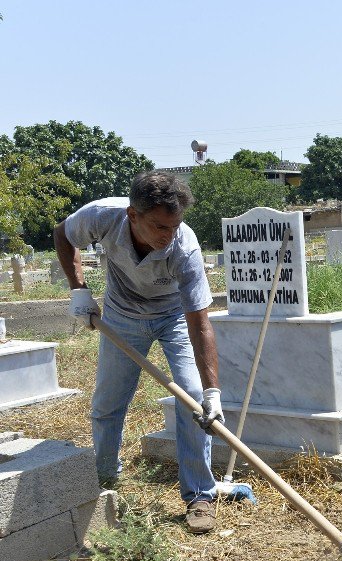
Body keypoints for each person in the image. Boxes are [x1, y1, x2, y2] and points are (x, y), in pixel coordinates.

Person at [54, 171, 225, 534]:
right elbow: (62, 233)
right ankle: (104, 481)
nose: (169, 235)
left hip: (173, 316)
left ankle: (200, 496)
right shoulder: (102, 216)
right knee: (108, 402)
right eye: (160, 227)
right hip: (122, 316)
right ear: (133, 216)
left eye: (175, 225)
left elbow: (200, 323)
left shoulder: (185, 247)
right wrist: (78, 289)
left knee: (193, 399)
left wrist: (212, 392)